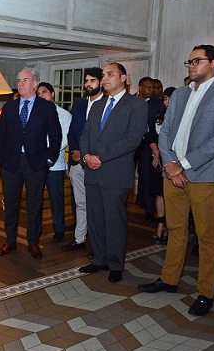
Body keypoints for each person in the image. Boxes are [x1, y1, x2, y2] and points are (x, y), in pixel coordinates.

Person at [138, 45, 214, 317]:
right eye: (190, 61)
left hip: (204, 174)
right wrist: (171, 165)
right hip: (172, 174)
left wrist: (181, 164)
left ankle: (205, 292)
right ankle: (169, 279)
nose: (191, 65)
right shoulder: (181, 93)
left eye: (197, 60)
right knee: (175, 229)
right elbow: (165, 132)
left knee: (207, 236)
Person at [79, 62, 147, 283]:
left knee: (114, 220)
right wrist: (87, 155)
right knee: (96, 219)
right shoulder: (98, 104)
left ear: (124, 78)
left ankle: (116, 264)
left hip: (115, 173)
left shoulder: (136, 105)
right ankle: (99, 259)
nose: (105, 78)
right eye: (104, 75)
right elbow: (85, 134)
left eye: (110, 74)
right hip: (93, 171)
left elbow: (132, 139)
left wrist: (101, 156)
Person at [0, 69, 62, 259]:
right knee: (11, 203)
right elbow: (0, 136)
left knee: (35, 204)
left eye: (25, 80)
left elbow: (55, 136)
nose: (21, 84)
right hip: (11, 163)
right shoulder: (9, 108)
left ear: (35, 84)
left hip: (36, 164)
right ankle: (10, 241)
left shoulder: (47, 108)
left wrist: (49, 160)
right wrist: (1, 157)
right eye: (18, 80)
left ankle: (33, 242)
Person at [62, 68, 104, 254]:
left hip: (97, 163)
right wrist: (77, 152)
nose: (88, 84)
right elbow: (72, 131)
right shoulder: (79, 104)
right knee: (80, 203)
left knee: (97, 205)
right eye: (86, 80)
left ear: (101, 82)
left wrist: (87, 154)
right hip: (77, 162)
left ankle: (96, 244)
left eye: (92, 80)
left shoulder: (108, 104)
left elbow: (105, 137)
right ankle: (79, 239)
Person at [37, 82, 71, 243]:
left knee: (56, 198)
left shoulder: (64, 115)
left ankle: (59, 228)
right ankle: (36, 229)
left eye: (44, 92)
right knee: (35, 198)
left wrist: (47, 151)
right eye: (38, 93)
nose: (41, 95)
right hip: (36, 163)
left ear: (52, 94)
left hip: (55, 164)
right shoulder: (35, 113)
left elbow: (64, 139)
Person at [149, 86, 175, 244]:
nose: (167, 102)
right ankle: (160, 227)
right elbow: (152, 136)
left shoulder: (182, 117)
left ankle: (170, 229)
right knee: (159, 194)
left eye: (170, 99)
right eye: (165, 99)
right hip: (158, 160)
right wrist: (156, 153)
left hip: (174, 162)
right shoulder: (159, 117)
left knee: (172, 196)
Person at [136, 76, 163, 222]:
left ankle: (149, 208)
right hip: (130, 144)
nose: (152, 90)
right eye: (149, 87)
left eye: (153, 87)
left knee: (147, 175)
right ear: (140, 88)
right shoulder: (129, 100)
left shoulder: (157, 104)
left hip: (148, 145)